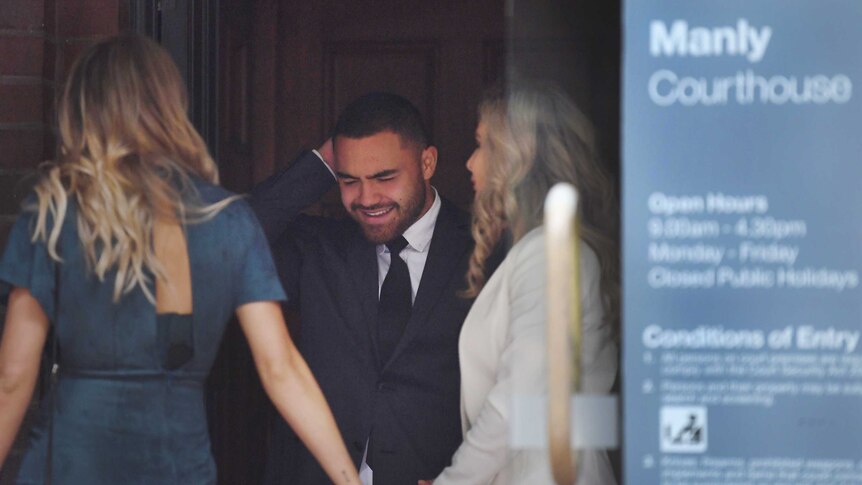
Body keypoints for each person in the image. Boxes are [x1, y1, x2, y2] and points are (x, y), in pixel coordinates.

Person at [0, 33, 359, 485]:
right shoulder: (228, 220)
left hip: (71, 462)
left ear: (82, 112)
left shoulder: (51, 214)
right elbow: (280, 368)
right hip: (174, 463)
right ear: (171, 107)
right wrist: (350, 481)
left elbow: (12, 378)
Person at [251, 93, 474, 485]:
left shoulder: (483, 249)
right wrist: (321, 164)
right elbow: (233, 235)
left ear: (427, 163)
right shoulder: (319, 248)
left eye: (384, 177)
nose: (367, 199)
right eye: (349, 181)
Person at [428, 83, 619, 484]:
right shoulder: (545, 249)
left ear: (513, 159)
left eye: (481, 145)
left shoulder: (550, 252)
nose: (469, 163)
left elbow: (520, 395)